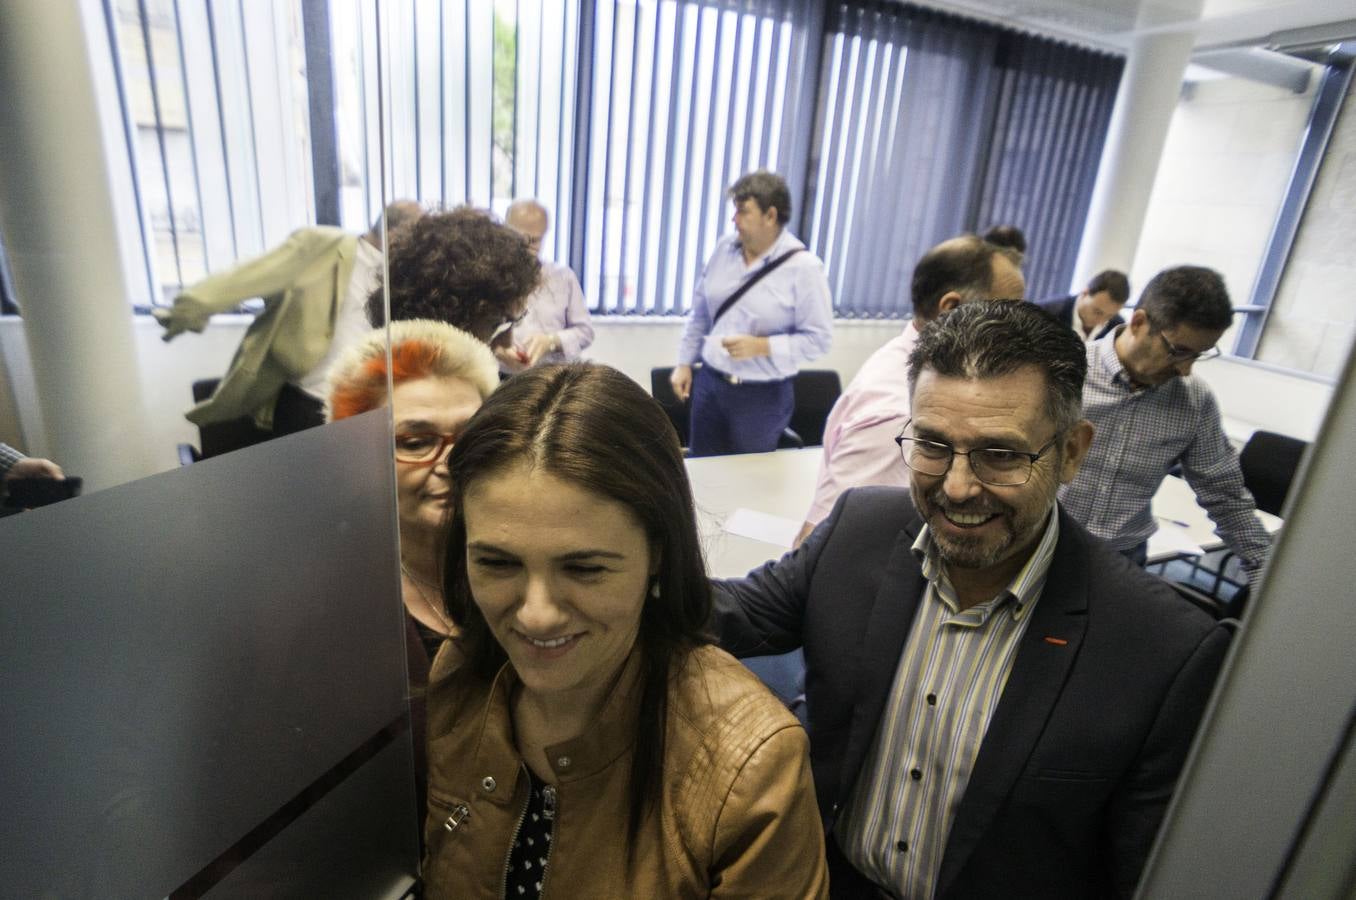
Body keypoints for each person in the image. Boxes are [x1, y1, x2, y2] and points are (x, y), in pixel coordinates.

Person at [712, 301, 1231, 899]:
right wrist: (607, 577)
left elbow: (1140, 873)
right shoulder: (860, 530)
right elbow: (736, 614)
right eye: (932, 445)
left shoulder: (1163, 651)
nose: (957, 487)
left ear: (1071, 453)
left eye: (1001, 454)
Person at [422, 364, 828, 898]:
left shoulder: (750, 769)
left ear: (657, 550)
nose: (536, 614)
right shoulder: (462, 673)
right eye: (498, 564)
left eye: (585, 569)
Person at [325, 317, 499, 830]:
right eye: (416, 440)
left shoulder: (524, 562)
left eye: (472, 437)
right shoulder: (333, 614)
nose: (451, 463)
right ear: (356, 461)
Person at [795, 235, 1025, 545]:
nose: (1018, 327)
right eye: (1007, 312)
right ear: (951, 308)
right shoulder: (901, 413)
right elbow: (822, 543)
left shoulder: (918, 365)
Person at [1061, 265, 1271, 579]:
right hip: (1041, 549)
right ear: (1139, 322)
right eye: (1178, 351)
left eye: (1198, 355)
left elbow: (1227, 498)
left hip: (1122, 564)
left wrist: (1267, 580)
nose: (1185, 370)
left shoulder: (1195, 401)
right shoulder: (1064, 370)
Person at [154, 200, 424, 434]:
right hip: (308, 403)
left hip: (365, 406)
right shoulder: (320, 245)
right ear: (397, 235)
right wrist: (188, 308)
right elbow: (250, 275)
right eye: (417, 238)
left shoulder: (401, 274)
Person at [671, 170, 832, 457]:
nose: (734, 220)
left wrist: (763, 346)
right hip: (710, 383)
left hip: (762, 396)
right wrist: (684, 362)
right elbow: (701, 313)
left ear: (770, 216)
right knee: (702, 469)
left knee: (747, 477)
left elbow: (819, 340)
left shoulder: (804, 268)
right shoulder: (724, 248)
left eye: (743, 212)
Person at [369, 206, 542, 349]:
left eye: (514, 323)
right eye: (497, 325)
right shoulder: (429, 389)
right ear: (451, 321)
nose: (507, 343)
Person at [496, 199, 594, 373]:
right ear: (505, 232)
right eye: (519, 239)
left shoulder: (563, 277)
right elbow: (471, 338)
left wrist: (552, 341)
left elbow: (585, 332)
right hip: (501, 378)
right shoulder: (489, 277)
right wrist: (496, 350)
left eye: (534, 240)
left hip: (551, 376)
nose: (526, 247)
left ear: (544, 235)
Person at [1039, 269, 1130, 343]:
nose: (1101, 321)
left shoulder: (1117, 328)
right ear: (1085, 293)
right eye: (1097, 312)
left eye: (1110, 316)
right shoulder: (1045, 313)